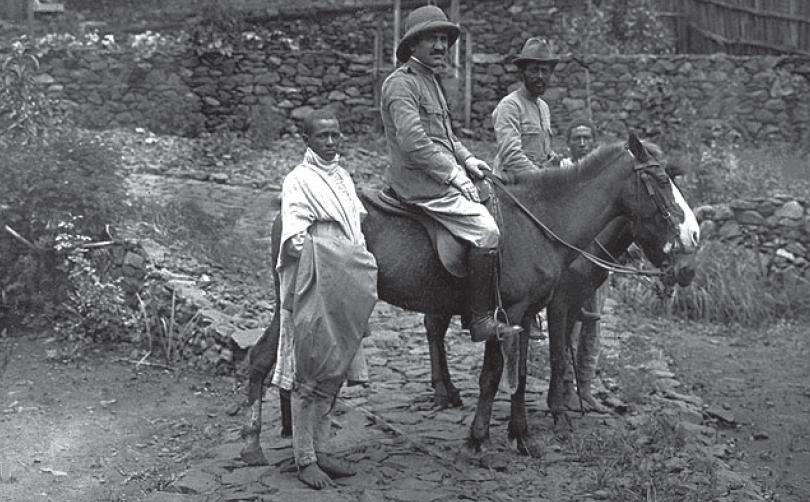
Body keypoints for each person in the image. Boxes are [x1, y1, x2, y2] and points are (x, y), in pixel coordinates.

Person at [379, 5, 521, 343]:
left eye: (444, 39)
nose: (441, 46)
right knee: (487, 231)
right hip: (420, 183)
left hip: (439, 175)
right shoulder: (401, 84)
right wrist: (454, 176)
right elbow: (413, 141)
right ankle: (481, 317)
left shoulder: (431, 80)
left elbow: (447, 136)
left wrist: (469, 161)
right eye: (431, 39)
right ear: (412, 46)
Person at [271, 109, 378, 489]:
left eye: (335, 135)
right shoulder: (299, 180)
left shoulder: (343, 177)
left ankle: (323, 448)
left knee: (335, 367)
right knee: (311, 369)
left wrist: (357, 265)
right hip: (315, 279)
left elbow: (355, 228)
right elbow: (296, 240)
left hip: (344, 278)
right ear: (308, 140)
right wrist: (335, 257)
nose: (330, 142)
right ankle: (304, 459)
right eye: (322, 137)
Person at [559, 118, 608, 414]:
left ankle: (586, 388)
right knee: (570, 325)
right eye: (576, 138)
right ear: (568, 144)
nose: (581, 143)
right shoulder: (563, 173)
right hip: (572, 261)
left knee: (595, 324)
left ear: (594, 143)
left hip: (599, 259)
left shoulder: (602, 176)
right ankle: (566, 387)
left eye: (586, 138)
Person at [492, 37, 561, 176]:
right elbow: (511, 157)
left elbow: (540, 151)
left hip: (535, 183)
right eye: (534, 70)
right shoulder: (510, 106)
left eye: (545, 71)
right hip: (512, 186)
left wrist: (552, 159)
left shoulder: (544, 108)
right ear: (522, 73)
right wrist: (543, 179)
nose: (540, 76)